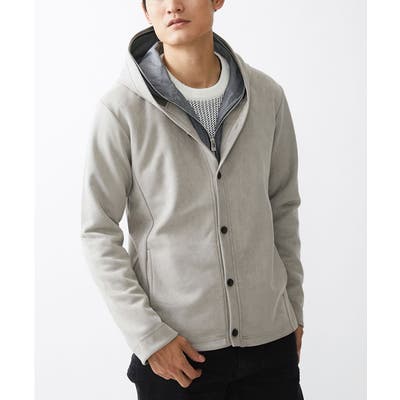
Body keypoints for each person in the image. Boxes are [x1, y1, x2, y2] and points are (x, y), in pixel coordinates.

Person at [80, 0, 305, 398]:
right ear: (145, 10)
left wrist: (293, 310)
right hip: (177, 354)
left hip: (270, 344)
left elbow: (283, 207)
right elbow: (97, 231)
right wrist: (149, 336)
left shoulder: (267, 97)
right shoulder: (120, 110)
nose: (173, 6)